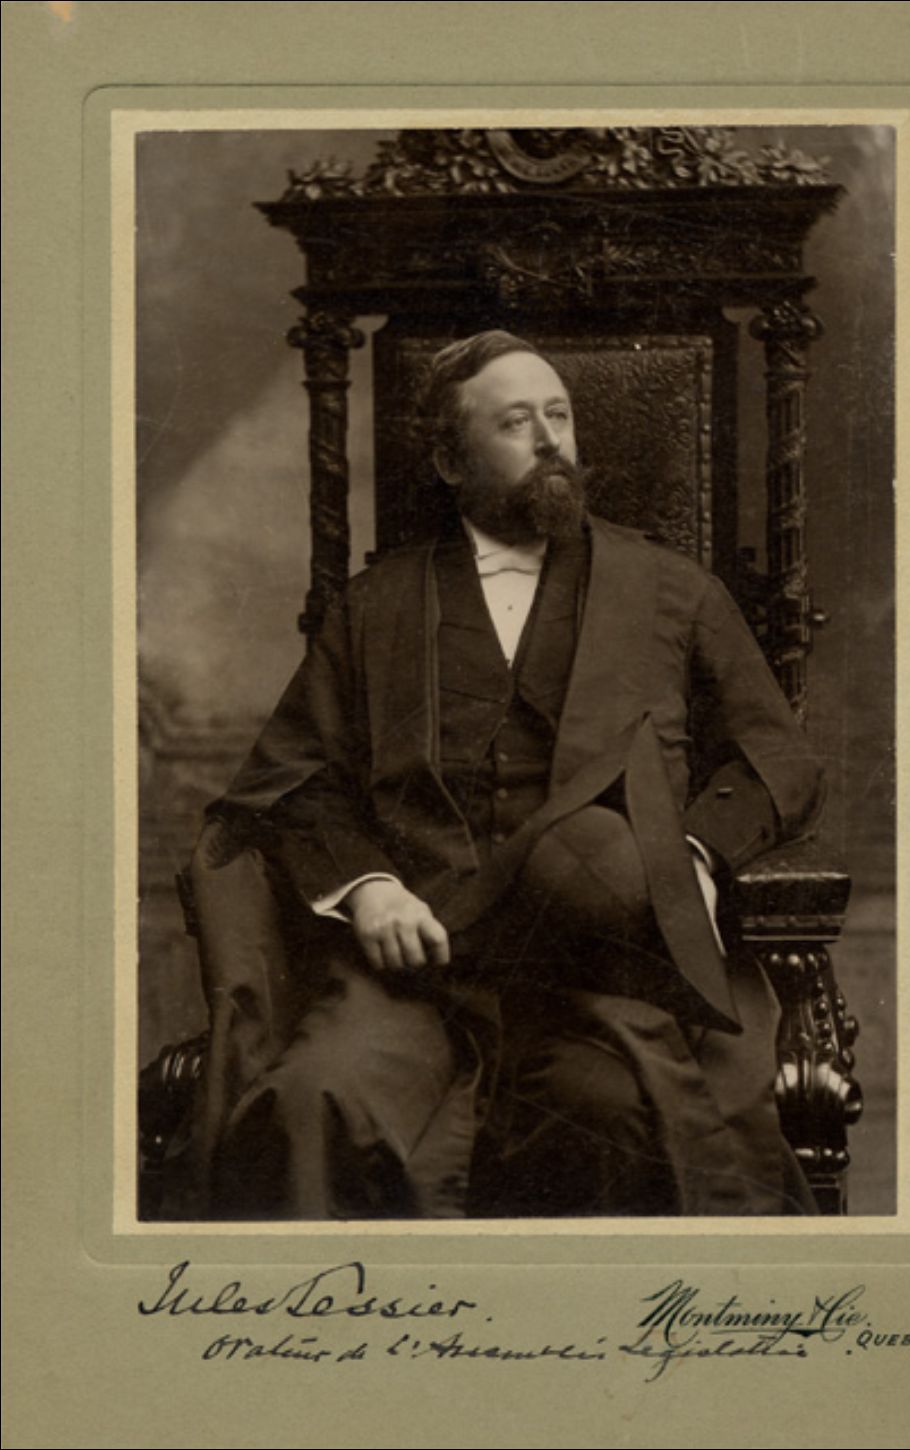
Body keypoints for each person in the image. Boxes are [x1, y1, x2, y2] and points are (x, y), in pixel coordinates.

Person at [185, 330, 826, 1221]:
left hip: (595, 967)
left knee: (616, 1122)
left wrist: (691, 856)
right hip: (417, 966)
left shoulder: (671, 590)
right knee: (315, 1101)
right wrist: (369, 889)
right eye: (516, 423)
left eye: (559, 416)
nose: (551, 440)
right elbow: (295, 780)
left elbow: (775, 756)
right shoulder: (374, 607)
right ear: (450, 462)